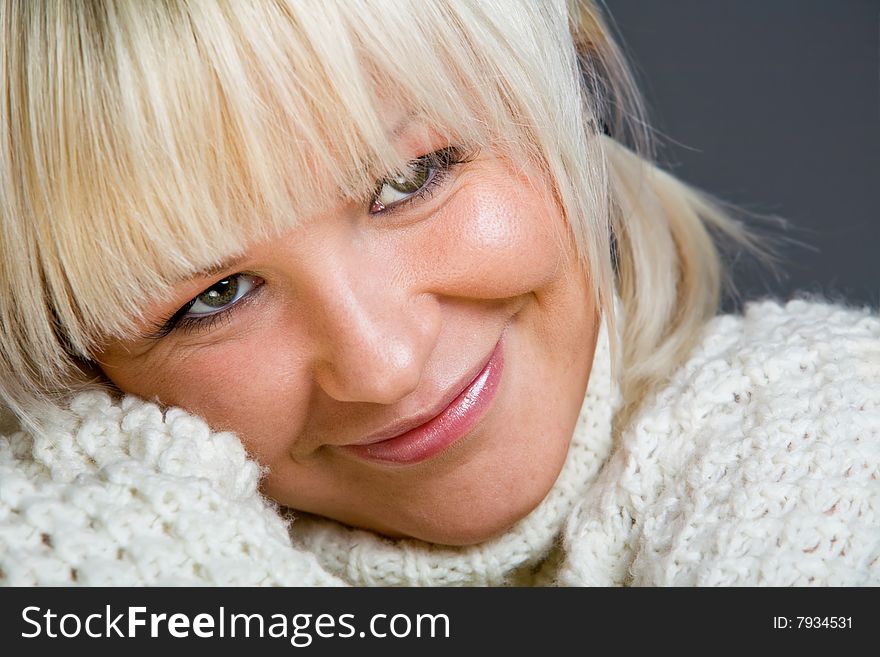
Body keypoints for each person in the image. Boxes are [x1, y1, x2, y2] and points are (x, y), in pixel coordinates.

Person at [0, 0, 877, 587]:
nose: (381, 363)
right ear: (78, 366)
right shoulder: (75, 531)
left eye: (411, 178)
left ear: (562, 96)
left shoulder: (824, 445)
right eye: (217, 295)